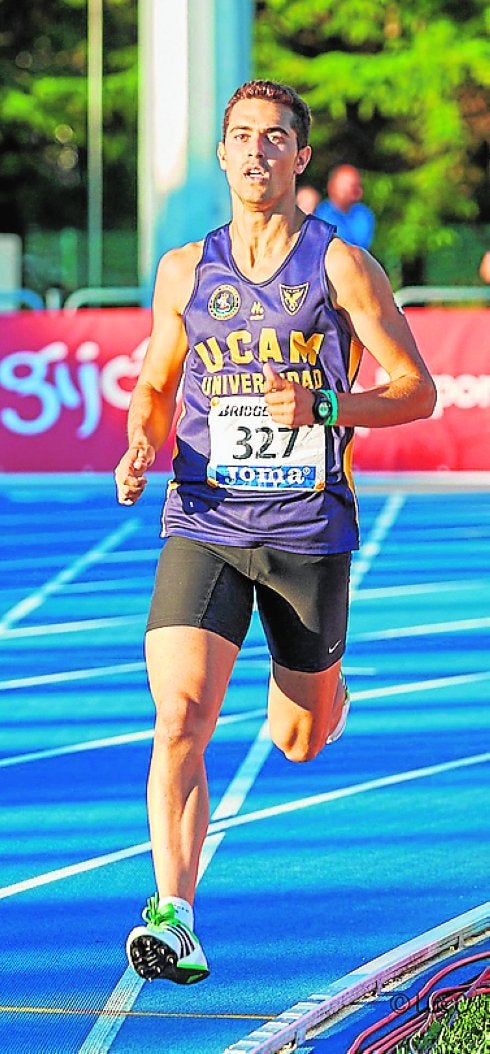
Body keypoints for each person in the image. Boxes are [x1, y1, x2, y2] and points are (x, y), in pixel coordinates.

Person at [114, 79, 436, 985]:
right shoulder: (185, 269)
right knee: (180, 717)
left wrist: (331, 401)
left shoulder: (339, 266)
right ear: (221, 155)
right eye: (241, 137)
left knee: (299, 738)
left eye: (275, 138)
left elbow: (419, 390)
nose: (255, 151)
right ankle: (174, 913)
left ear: (298, 158)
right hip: (205, 518)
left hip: (306, 530)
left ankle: (330, 695)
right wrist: (141, 439)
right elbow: (153, 384)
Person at [314, 163, 375, 249]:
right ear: (332, 186)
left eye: (358, 185)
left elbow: (361, 246)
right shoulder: (321, 214)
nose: (358, 191)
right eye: (351, 186)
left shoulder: (363, 214)